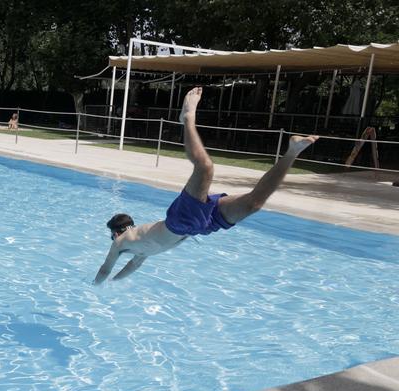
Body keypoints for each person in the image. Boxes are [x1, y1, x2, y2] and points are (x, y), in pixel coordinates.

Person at [93, 87, 318, 283]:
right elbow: (132, 266)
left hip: (180, 223)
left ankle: (188, 117)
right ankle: (292, 151)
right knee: (253, 203)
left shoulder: (121, 241)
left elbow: (105, 268)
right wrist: (113, 283)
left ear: (116, 232)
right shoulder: (140, 250)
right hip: (200, 227)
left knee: (205, 168)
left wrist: (95, 287)